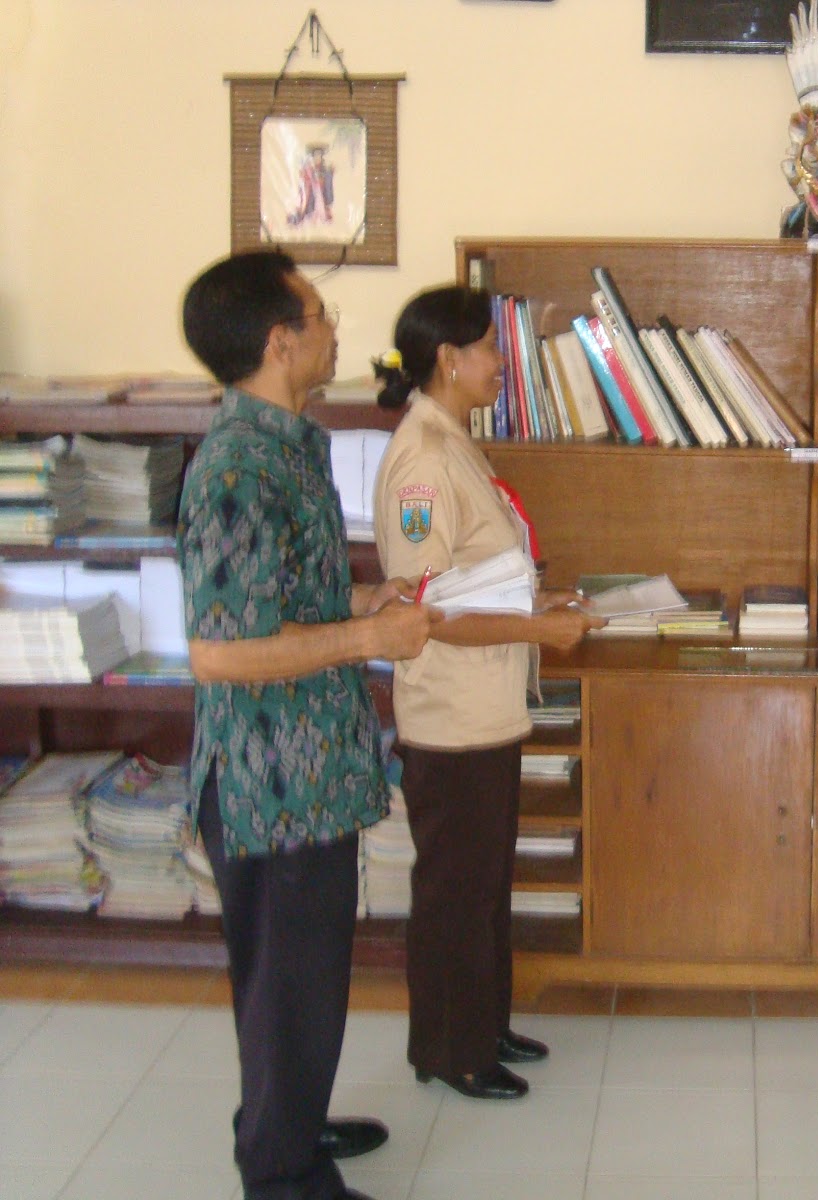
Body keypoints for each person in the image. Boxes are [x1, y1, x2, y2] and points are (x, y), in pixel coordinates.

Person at [178, 249, 437, 1199]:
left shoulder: (290, 442)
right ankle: (282, 1176)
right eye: (319, 314)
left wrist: (368, 599)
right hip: (268, 787)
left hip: (310, 769)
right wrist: (369, 636)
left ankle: (286, 1123)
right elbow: (219, 651)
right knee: (290, 991)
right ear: (279, 341)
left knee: (298, 985)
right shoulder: (238, 468)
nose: (334, 329)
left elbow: (288, 598)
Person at [372, 286, 605, 1102]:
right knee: (454, 893)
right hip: (450, 717)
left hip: (487, 708)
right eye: (490, 348)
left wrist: (540, 602)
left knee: (483, 887)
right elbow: (422, 612)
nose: (502, 364)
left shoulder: (454, 439)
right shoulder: (422, 461)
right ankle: (450, 1050)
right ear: (449, 358)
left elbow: (475, 576)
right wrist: (538, 630)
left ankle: (484, 1025)